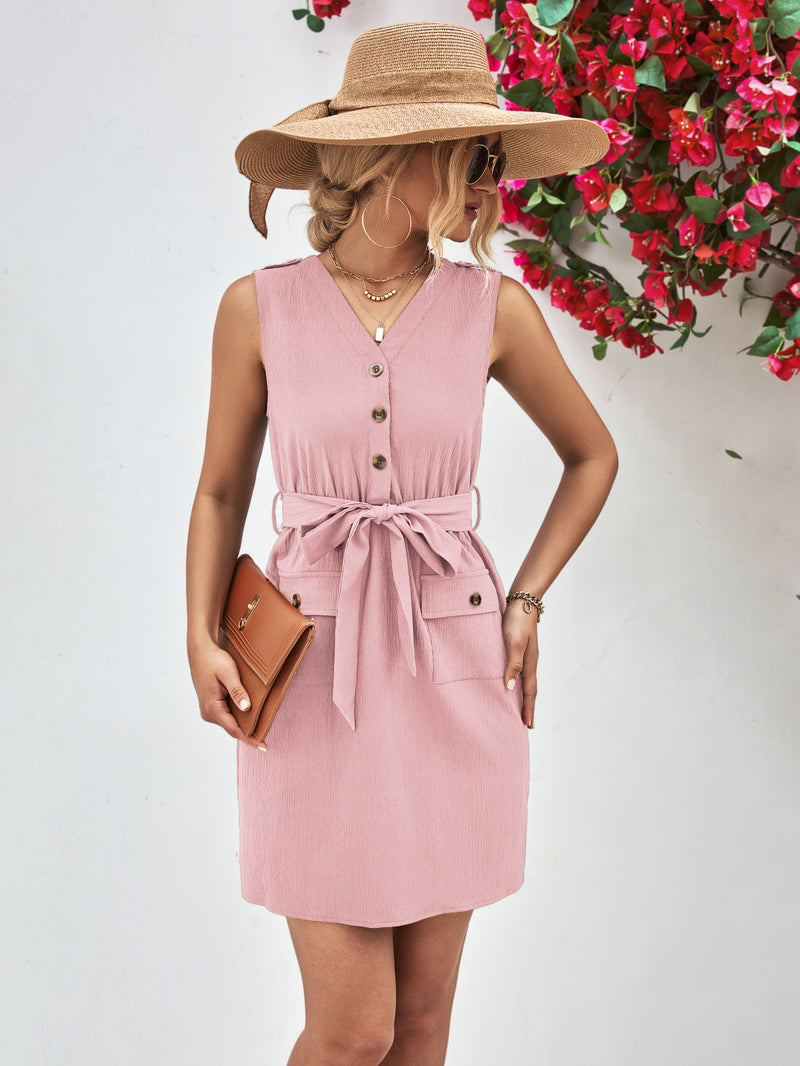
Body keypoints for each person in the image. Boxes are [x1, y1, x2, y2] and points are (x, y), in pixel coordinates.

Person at [186, 20, 618, 1066]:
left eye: (489, 159)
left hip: (452, 669)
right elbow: (222, 488)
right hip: (308, 671)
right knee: (350, 1033)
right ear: (396, 152)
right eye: (471, 155)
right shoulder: (256, 310)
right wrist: (200, 634)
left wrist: (523, 600)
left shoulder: (495, 310)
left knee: (420, 1032)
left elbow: (590, 456)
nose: (486, 182)